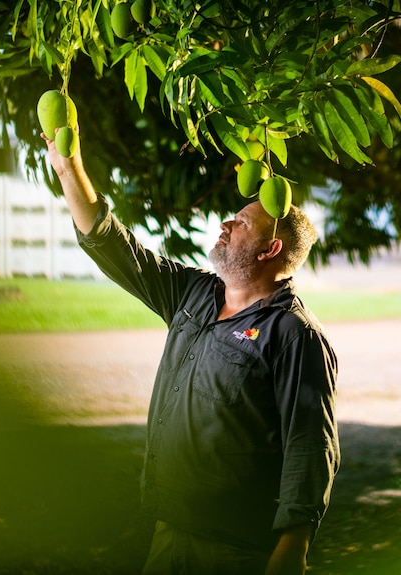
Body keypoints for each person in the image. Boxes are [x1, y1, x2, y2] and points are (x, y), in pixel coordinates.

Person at [44, 128, 340, 575]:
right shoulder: (195, 293)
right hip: (170, 533)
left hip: (236, 550)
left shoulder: (293, 335)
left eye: (241, 223)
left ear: (271, 249)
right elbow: (117, 248)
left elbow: (310, 444)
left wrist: (292, 548)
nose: (225, 224)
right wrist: (70, 169)